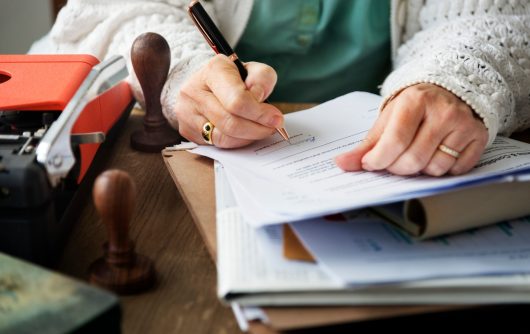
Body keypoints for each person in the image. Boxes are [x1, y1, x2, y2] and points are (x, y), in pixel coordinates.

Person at [47, 0, 530, 176]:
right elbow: (117, 10)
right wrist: (183, 76)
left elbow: (491, 15)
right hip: (178, 155)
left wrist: (450, 79)